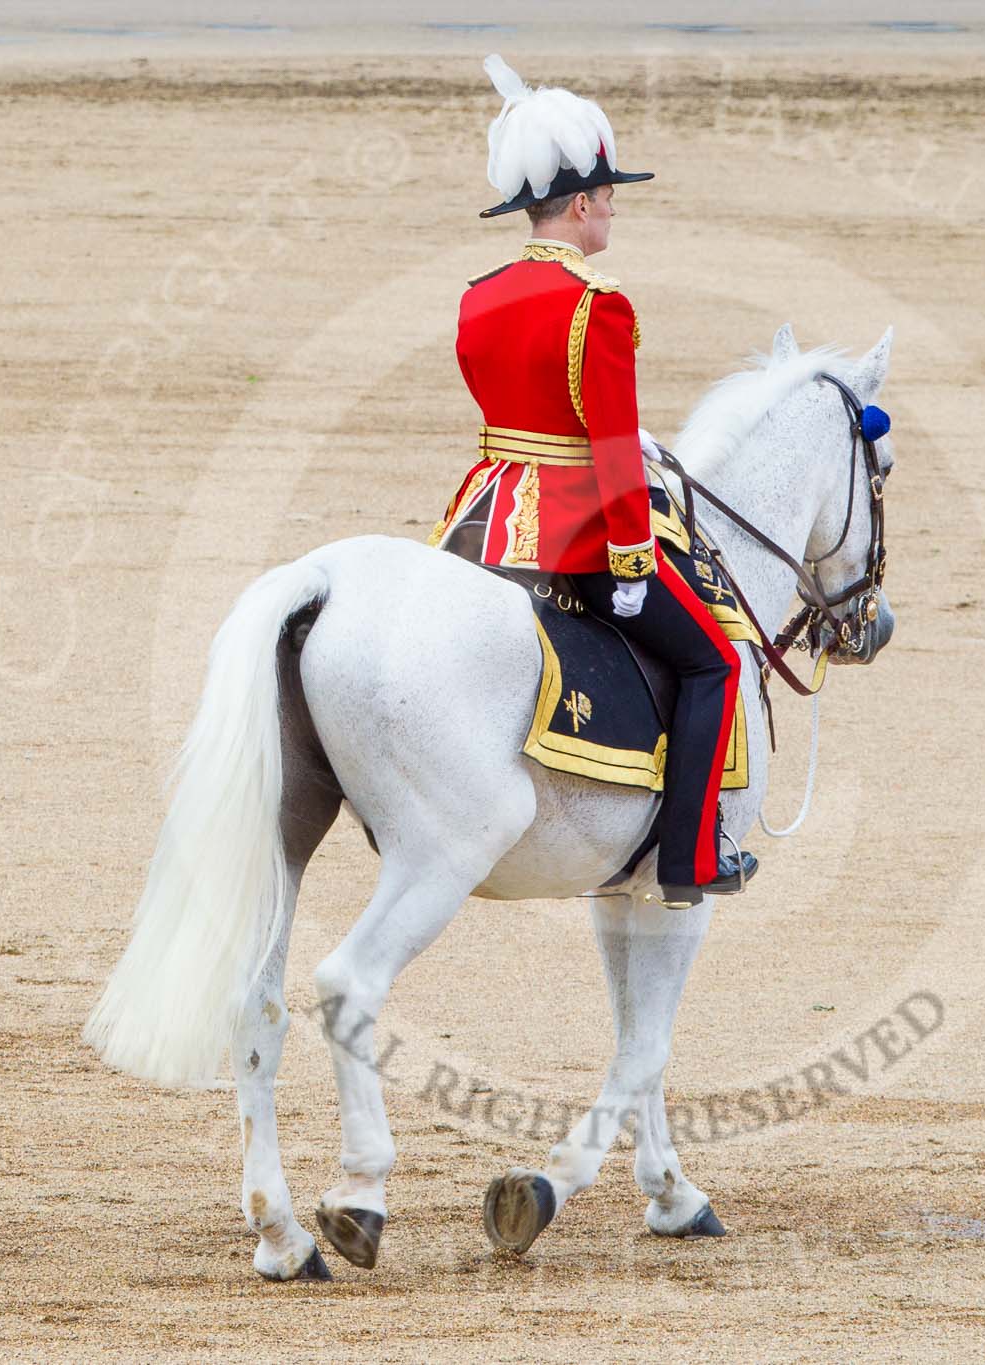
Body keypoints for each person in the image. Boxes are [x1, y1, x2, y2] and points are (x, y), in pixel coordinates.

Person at [433, 55, 754, 907]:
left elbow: (524, 407)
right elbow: (610, 451)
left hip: (486, 515)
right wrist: (632, 563)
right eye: (608, 194)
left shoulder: (479, 294)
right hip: (575, 527)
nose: (613, 207)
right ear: (580, 204)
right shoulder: (596, 303)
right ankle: (689, 856)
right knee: (715, 661)